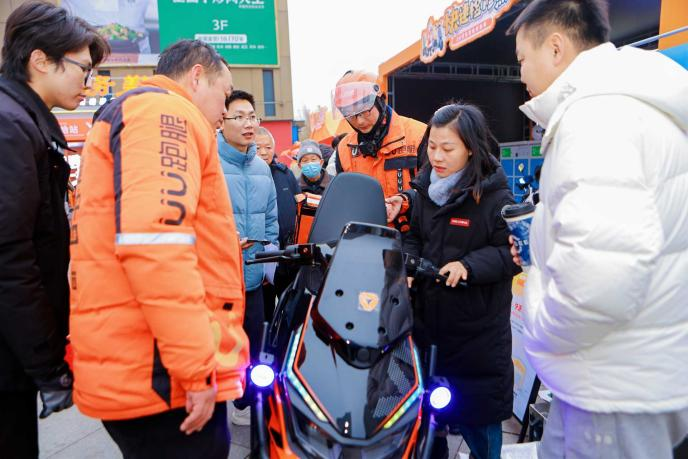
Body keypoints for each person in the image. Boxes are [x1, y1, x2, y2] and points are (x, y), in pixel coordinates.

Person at [506, 1, 688, 457]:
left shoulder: (597, 119)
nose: (520, 75)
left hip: (615, 386)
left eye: (522, 59)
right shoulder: (619, 104)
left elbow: (598, 282)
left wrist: (539, 322)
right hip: (621, 373)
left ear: (555, 48)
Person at [70, 40, 246, 459]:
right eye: (224, 95)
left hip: (146, 361)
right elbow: (157, 247)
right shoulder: (164, 113)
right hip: (161, 375)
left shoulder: (143, 113)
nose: (225, 111)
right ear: (197, 76)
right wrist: (196, 371)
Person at [0, 3, 109, 457]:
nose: (89, 83)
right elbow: (10, 258)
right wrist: (46, 366)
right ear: (41, 60)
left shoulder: (21, 120)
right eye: (83, 69)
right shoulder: (10, 126)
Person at [404, 103, 520, 459]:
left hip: (477, 339)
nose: (436, 156)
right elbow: (415, 236)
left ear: (470, 147)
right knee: (427, 430)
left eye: (447, 148)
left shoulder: (495, 196)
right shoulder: (425, 188)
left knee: (480, 429)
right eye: (432, 146)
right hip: (427, 329)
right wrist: (407, 266)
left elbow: (512, 254)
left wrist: (468, 266)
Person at [218, 89, 279, 426]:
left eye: (252, 116)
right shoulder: (209, 162)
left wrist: (268, 258)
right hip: (218, 279)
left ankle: (246, 402)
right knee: (220, 346)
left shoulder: (261, 167)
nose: (247, 124)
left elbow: (270, 218)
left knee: (254, 345)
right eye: (238, 117)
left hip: (253, 276)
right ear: (222, 121)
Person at [330, 70, 426, 232]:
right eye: (351, 115)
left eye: (365, 111)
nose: (360, 121)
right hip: (366, 237)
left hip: (414, 235)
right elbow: (344, 199)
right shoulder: (344, 149)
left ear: (380, 100)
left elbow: (434, 189)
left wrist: (405, 200)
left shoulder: (418, 135)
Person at [255, 126, 300, 321]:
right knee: (264, 310)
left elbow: (299, 203)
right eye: (258, 147)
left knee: (288, 307)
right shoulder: (249, 175)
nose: (264, 152)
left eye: (268, 147)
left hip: (287, 255)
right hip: (262, 254)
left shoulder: (285, 174)